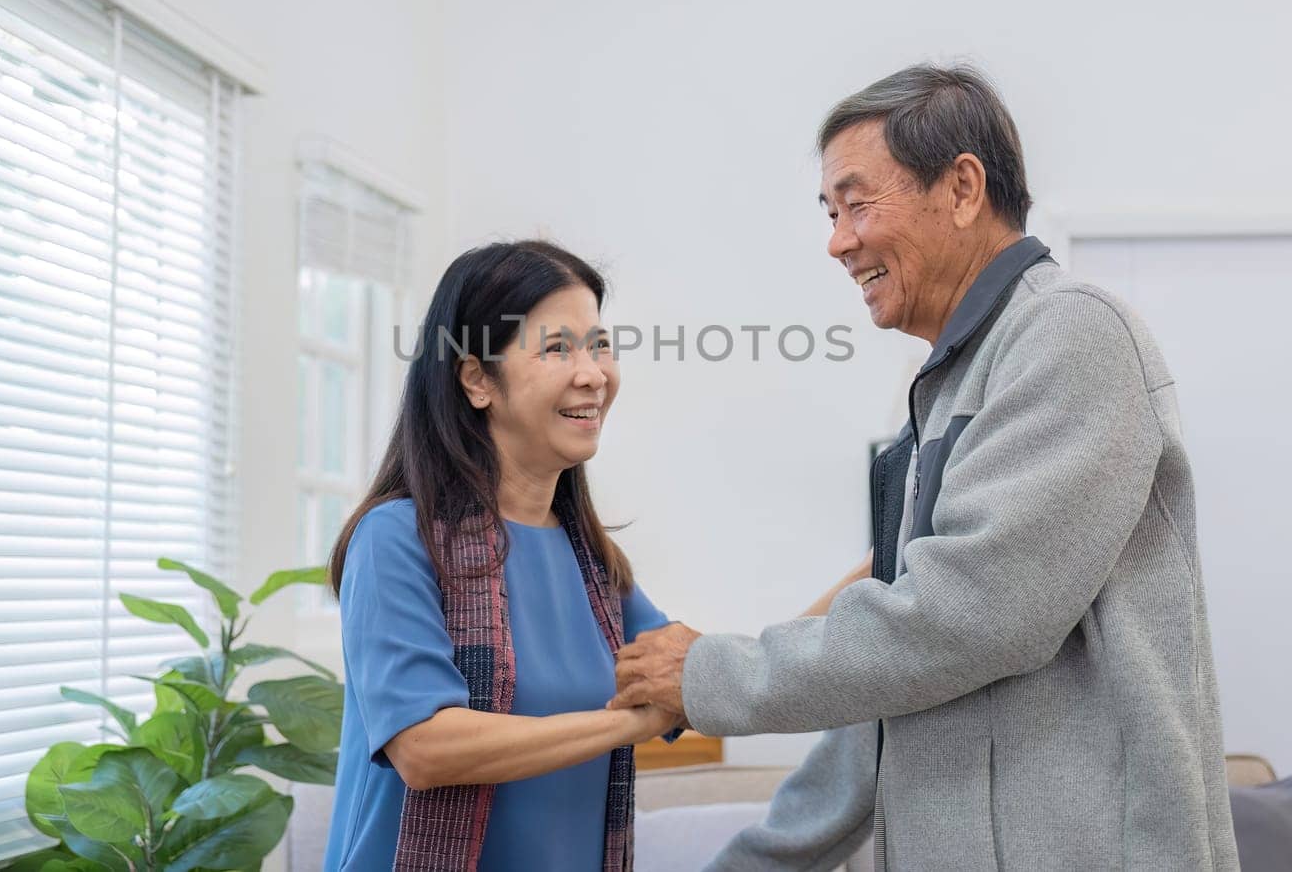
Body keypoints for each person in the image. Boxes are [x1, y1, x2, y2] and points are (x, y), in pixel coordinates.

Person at [609, 65, 1241, 871]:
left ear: (963, 187)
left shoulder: (1072, 336)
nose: (839, 240)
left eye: (858, 202)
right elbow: (891, 683)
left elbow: (967, 617)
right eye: (831, 212)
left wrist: (712, 674)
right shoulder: (946, 390)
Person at [321, 240, 682, 872]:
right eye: (557, 347)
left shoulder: (594, 564)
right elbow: (427, 748)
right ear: (477, 379)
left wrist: (869, 582)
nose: (594, 372)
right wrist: (631, 724)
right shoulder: (395, 539)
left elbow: (701, 675)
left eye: (599, 344)